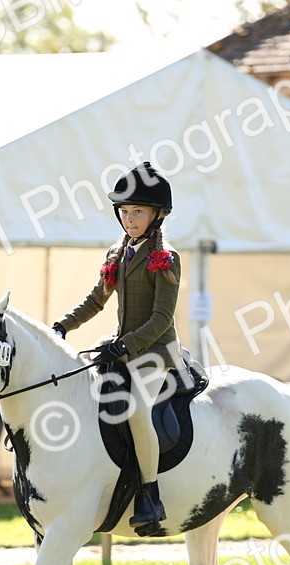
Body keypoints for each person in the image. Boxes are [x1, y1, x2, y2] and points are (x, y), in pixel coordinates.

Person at [52, 162, 185, 536]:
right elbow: (97, 300)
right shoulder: (118, 252)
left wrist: (124, 345)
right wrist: (63, 325)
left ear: (158, 214)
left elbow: (161, 318)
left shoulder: (166, 257)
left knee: (138, 411)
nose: (129, 219)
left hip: (155, 352)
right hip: (120, 345)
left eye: (137, 212)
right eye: (124, 212)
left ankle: (150, 494)